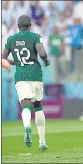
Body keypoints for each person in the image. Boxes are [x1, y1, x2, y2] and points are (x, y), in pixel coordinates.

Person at [1, 15, 50, 150]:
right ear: (30, 25)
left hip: (21, 75)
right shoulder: (35, 37)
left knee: (25, 104)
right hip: (35, 73)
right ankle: (42, 142)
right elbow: (41, 52)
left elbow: (3, 58)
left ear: (18, 26)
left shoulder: (11, 39)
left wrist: (14, 62)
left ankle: (27, 126)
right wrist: (46, 61)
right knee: (38, 106)